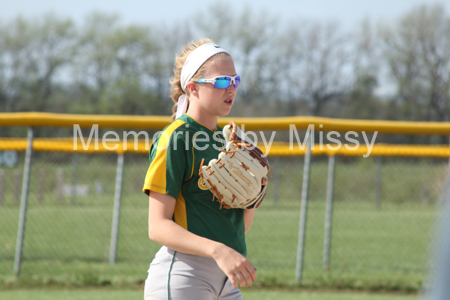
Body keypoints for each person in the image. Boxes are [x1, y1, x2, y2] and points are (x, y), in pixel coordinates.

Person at [142, 38, 262, 300]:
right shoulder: (175, 138)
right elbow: (158, 226)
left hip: (226, 280)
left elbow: (237, 226)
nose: (230, 87)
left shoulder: (230, 142)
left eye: (235, 80)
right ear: (193, 88)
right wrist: (219, 251)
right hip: (185, 274)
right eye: (221, 81)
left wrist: (253, 197)